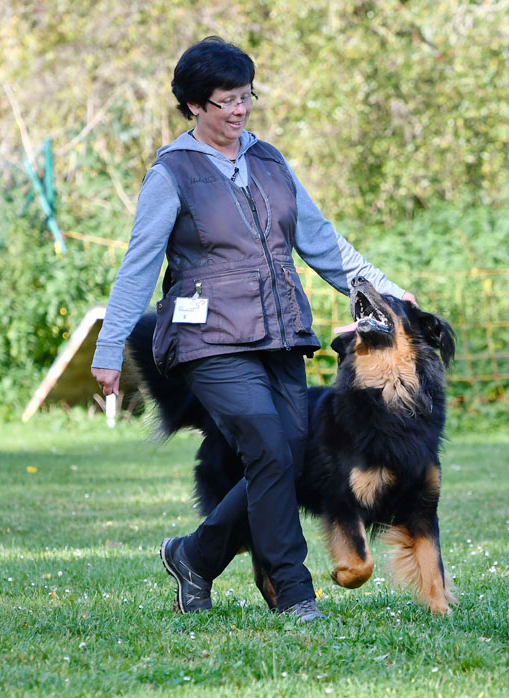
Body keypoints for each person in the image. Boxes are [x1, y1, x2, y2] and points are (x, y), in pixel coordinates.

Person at [91, 36, 416, 623]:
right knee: (267, 447)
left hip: (281, 335)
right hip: (208, 340)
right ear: (194, 105)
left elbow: (321, 242)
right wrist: (109, 347)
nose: (239, 110)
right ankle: (295, 592)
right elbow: (138, 265)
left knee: (287, 457)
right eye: (225, 101)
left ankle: (194, 556)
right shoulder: (172, 172)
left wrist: (383, 290)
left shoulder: (269, 161)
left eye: (246, 97)